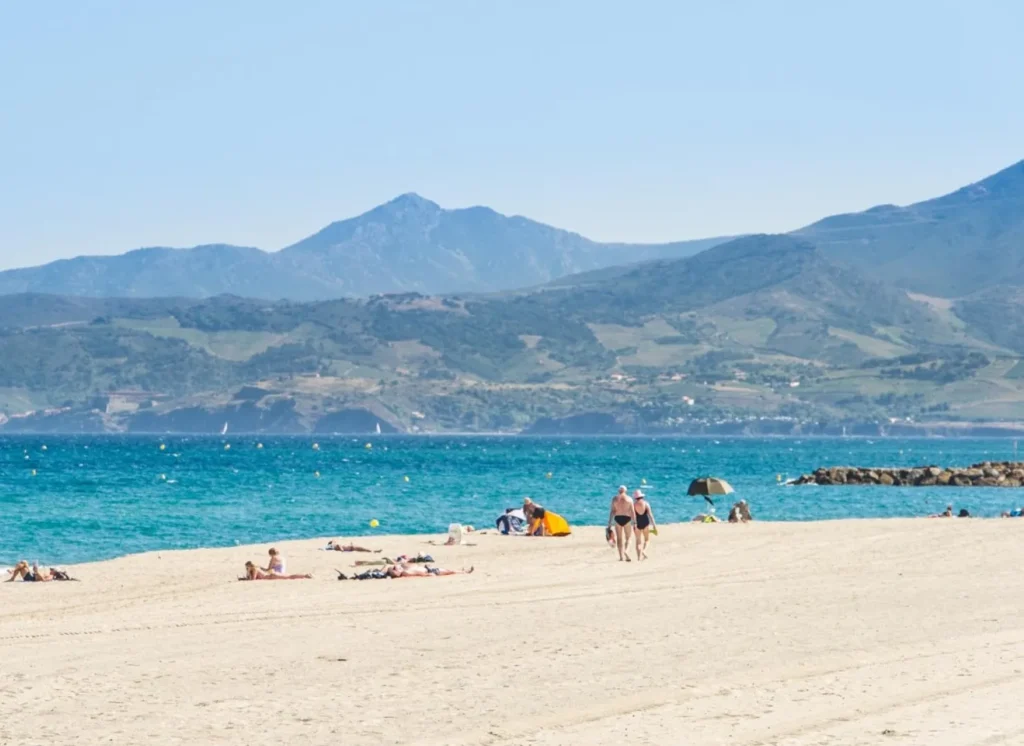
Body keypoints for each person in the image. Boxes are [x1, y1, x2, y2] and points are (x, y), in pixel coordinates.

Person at [608, 486, 635, 561]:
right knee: (628, 537)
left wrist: (609, 523)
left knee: (619, 539)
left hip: (618, 518)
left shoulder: (614, 499)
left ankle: (621, 557)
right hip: (627, 518)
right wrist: (635, 522)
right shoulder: (629, 499)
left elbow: (612, 511)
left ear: (619, 491)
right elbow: (632, 511)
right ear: (625, 491)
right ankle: (626, 551)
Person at [633, 489, 656, 561]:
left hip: (638, 523)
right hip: (645, 522)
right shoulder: (646, 503)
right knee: (647, 540)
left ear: (635, 497)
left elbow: (632, 516)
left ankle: (639, 558)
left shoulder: (633, 505)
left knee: (638, 541)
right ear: (642, 496)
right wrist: (654, 525)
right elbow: (650, 515)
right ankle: (644, 551)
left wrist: (634, 524)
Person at [240, 561, 311, 580]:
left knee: (289, 577)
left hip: (271, 576)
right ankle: (305, 575)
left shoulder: (255, 569)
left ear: (249, 566)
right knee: (289, 576)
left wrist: (248, 572)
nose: (246, 569)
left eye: (247, 567)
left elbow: (253, 579)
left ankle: (305, 575)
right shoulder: (256, 567)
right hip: (271, 575)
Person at [386, 563, 474, 578]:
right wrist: (427, 575)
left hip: (428, 569)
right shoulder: (405, 572)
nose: (396, 567)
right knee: (449, 571)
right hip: (429, 571)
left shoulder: (404, 568)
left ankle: (462, 571)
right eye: (395, 568)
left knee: (448, 570)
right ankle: (464, 572)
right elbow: (417, 574)